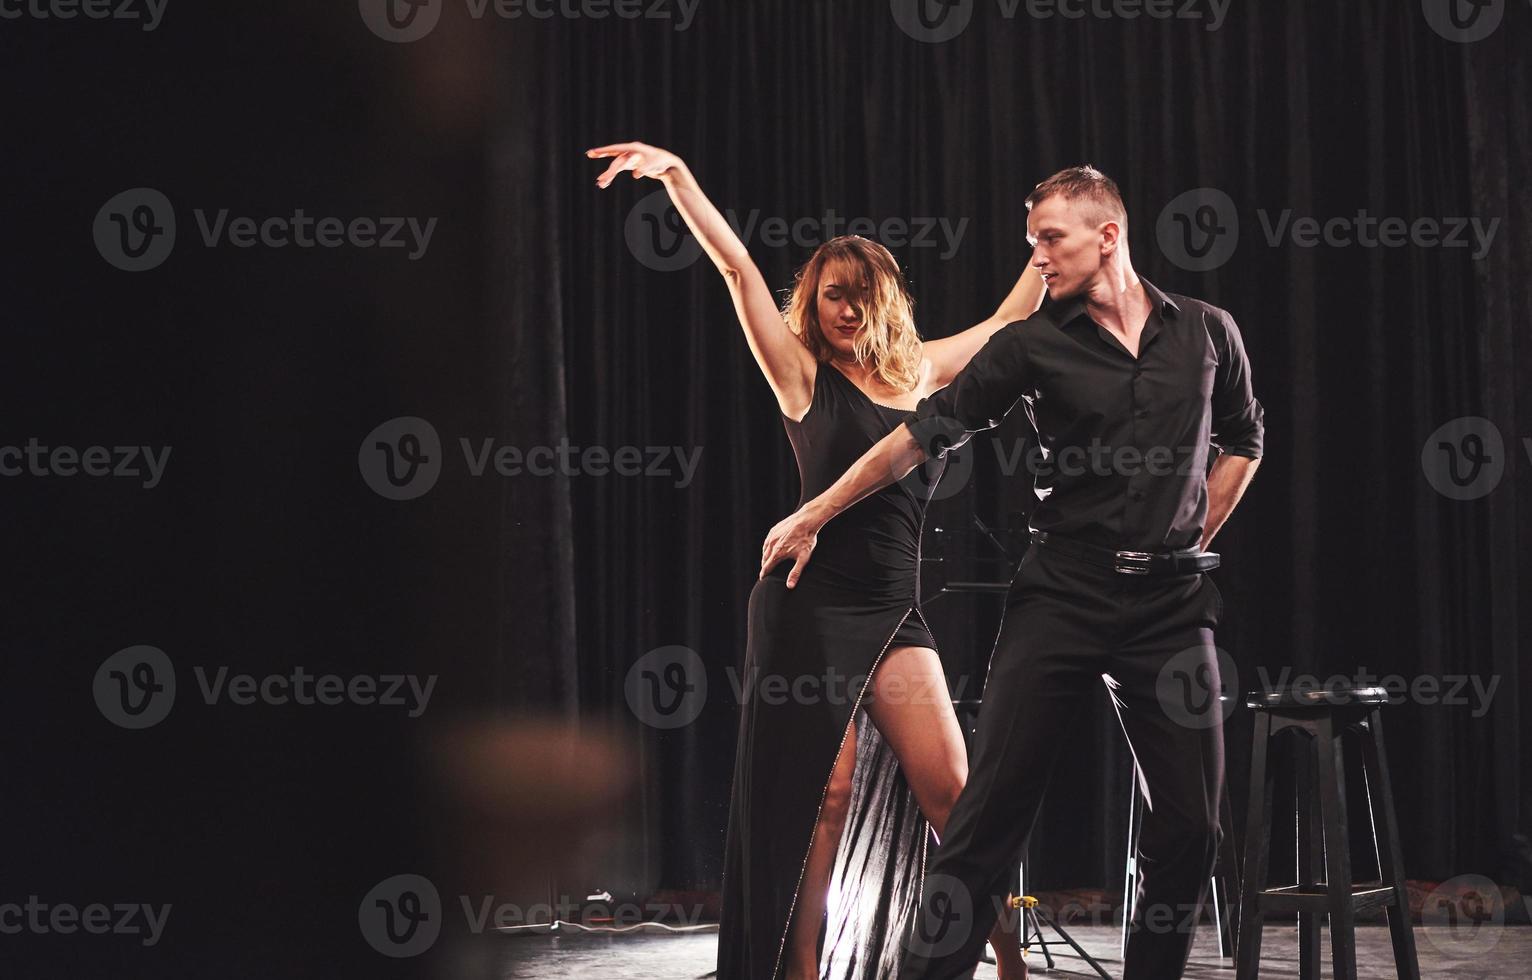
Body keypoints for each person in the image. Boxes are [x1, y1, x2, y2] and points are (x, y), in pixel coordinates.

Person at [759, 165, 1265, 980]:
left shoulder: (1208, 331)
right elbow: (920, 436)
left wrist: (1185, 530)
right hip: (1062, 595)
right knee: (984, 819)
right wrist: (816, 509)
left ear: (1108, 236)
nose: (1038, 257)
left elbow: (1244, 437)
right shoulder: (1032, 345)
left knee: (1190, 829)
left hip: (1172, 606)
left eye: (1050, 240)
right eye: (1031, 242)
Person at [588, 141, 1043, 979]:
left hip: (895, 612)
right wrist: (679, 177)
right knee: (820, 800)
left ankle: (1010, 969)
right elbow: (734, 270)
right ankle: (796, 973)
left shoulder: (922, 375)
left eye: (860, 295)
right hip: (805, 607)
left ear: (886, 303)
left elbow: (1011, 324)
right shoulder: (802, 377)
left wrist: (1043, 245)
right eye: (832, 294)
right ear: (813, 301)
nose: (846, 309)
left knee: (958, 799)